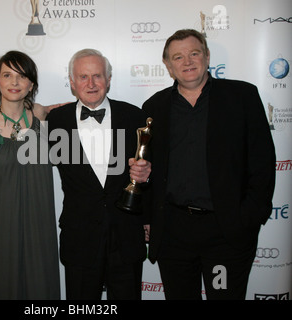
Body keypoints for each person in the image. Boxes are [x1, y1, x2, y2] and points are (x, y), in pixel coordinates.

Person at [141, 29, 276, 299]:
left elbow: (263, 163)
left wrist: (247, 218)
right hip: (173, 234)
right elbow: (148, 170)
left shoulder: (242, 97)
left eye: (194, 53)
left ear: (207, 56)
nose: (187, 62)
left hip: (225, 233)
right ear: (168, 66)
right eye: (178, 57)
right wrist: (148, 218)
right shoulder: (154, 107)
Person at [46, 48, 151, 300]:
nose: (91, 84)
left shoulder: (134, 116)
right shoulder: (55, 120)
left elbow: (153, 171)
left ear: (109, 80)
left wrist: (148, 174)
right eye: (83, 77)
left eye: (97, 76)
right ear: (72, 83)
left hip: (126, 235)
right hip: (80, 238)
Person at [0, 51, 60, 299]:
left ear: (31, 84)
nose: (14, 83)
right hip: (0, 217)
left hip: (39, 216)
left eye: (22, 76)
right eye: (7, 75)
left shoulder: (42, 115)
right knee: (2, 280)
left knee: (40, 282)